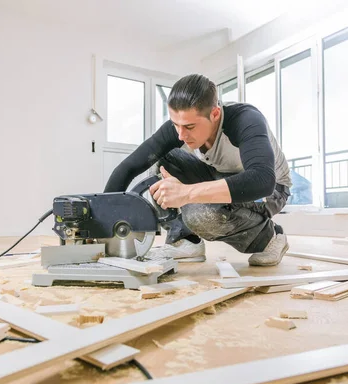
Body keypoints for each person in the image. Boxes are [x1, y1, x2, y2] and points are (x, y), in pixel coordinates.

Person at [104, 74, 292, 266]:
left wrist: (186, 193)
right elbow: (130, 166)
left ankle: (269, 237)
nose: (181, 134)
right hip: (222, 174)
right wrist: (104, 218)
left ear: (215, 114)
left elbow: (262, 180)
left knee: (200, 216)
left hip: (270, 190)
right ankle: (186, 240)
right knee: (161, 161)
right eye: (176, 124)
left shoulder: (246, 120)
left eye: (189, 126)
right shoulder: (181, 127)